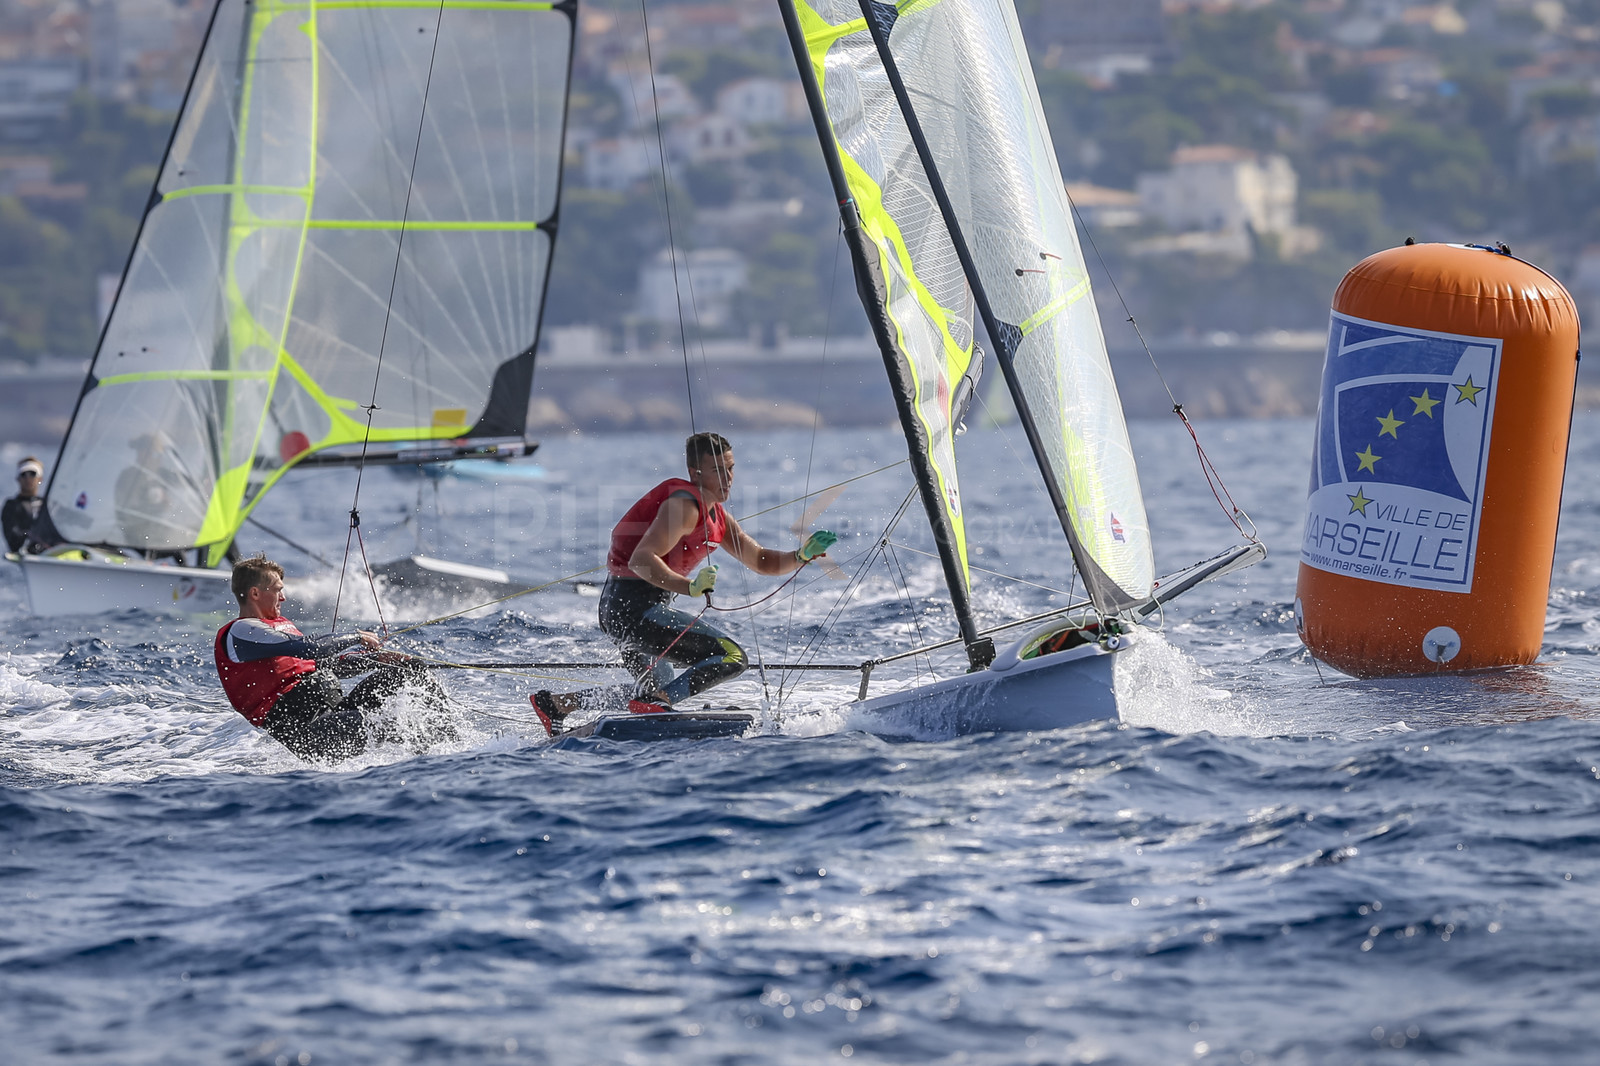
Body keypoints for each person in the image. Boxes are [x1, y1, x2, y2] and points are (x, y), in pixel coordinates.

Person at [533, 432, 835, 732]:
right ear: (695, 472)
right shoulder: (684, 506)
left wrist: (801, 555)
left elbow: (760, 560)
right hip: (635, 609)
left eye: (730, 468)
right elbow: (641, 559)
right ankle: (658, 702)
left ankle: (558, 704)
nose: (727, 478)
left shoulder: (718, 516)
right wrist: (690, 587)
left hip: (625, 610)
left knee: (652, 691)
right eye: (717, 470)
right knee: (731, 657)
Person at [215, 555, 451, 761]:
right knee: (388, 721)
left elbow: (323, 665)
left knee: (409, 669)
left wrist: (378, 660)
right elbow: (311, 648)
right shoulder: (242, 630)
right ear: (255, 593)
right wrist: (356, 637)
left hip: (337, 710)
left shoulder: (278, 626)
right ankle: (433, 759)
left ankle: (452, 740)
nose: (283, 597)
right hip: (310, 733)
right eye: (278, 590)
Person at [3, 457, 45, 553]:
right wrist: (30, 535)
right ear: (18, 479)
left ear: (40, 479)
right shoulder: (12, 506)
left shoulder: (49, 505)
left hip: (49, 554)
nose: (28, 478)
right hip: (25, 555)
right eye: (23, 474)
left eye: (32, 474)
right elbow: (13, 538)